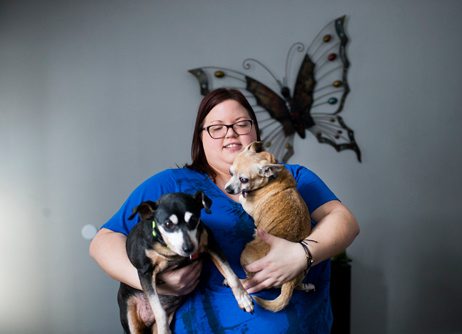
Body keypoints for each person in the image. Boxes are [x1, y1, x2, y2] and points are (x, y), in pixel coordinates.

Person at [89, 88, 359, 333]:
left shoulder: (290, 177)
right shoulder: (172, 185)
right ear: (201, 137)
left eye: (242, 124)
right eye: (216, 128)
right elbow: (103, 241)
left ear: (255, 133)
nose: (230, 133)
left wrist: (303, 254)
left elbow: (343, 220)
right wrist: (153, 282)